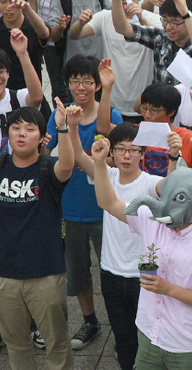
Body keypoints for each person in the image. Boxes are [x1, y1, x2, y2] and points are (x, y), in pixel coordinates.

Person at [91, 137, 192, 369]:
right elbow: (109, 202)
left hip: (187, 345)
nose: (163, 204)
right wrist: (98, 163)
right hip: (148, 333)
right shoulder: (152, 220)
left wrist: (169, 289)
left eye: (178, 199)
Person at [0, 102, 74, 369]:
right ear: (8, 135)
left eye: (30, 129)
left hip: (46, 274)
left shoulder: (47, 167)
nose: (21, 133)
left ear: (41, 138)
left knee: (57, 345)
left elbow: (67, 165)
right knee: (16, 345)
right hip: (2, 275)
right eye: (15, 128)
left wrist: (63, 128)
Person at [70, 121, 176, 369]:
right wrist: (72, 127)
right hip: (110, 272)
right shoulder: (108, 175)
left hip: (144, 275)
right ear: (112, 152)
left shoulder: (150, 183)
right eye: (121, 149)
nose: (127, 155)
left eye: (134, 150)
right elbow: (78, 156)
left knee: (149, 337)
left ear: (143, 153)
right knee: (123, 337)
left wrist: (173, 157)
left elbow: (171, 190)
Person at [44, 54, 123, 351]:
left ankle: (120, 326)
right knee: (77, 271)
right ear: (67, 84)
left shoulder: (110, 115)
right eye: (75, 81)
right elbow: (48, 150)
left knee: (112, 272)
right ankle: (90, 320)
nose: (81, 87)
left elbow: (111, 142)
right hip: (72, 209)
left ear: (97, 85)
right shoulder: (59, 115)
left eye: (87, 81)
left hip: (106, 210)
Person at [0, 32, 44, 359]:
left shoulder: (16, 98)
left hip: (22, 194)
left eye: (1, 71)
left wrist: (23, 54)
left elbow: (38, 93)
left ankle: (32, 326)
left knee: (27, 264)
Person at [67, 0, 161, 121]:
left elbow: (162, 40)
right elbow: (74, 35)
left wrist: (142, 18)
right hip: (113, 103)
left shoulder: (153, 18)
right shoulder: (104, 16)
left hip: (143, 105)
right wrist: (80, 23)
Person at [111, 0, 192, 85]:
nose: (168, 27)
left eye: (175, 22)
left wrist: (185, 13)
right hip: (159, 101)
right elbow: (122, 28)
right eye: (165, 20)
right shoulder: (160, 37)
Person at [0, 0, 49, 90]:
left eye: (14, 3)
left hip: (29, 93)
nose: (8, 7)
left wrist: (28, 10)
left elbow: (44, 33)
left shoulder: (33, 27)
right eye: (3, 2)